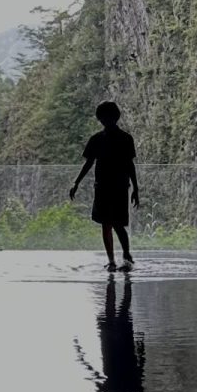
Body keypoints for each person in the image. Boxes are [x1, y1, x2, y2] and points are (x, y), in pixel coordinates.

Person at [70, 100, 140, 271]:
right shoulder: (125, 138)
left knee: (109, 224)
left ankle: (115, 259)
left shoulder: (97, 139)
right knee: (115, 224)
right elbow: (129, 165)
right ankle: (124, 255)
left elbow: (89, 163)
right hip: (118, 186)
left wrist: (76, 183)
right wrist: (135, 188)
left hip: (105, 186)